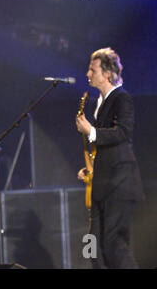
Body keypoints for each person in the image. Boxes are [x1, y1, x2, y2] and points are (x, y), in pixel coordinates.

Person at [76, 47, 144, 269]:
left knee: (114, 243)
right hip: (101, 183)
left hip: (119, 183)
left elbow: (123, 132)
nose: (88, 74)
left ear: (106, 73)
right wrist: (91, 168)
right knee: (92, 245)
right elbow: (103, 147)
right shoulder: (99, 103)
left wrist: (91, 131)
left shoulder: (121, 98)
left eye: (92, 69)